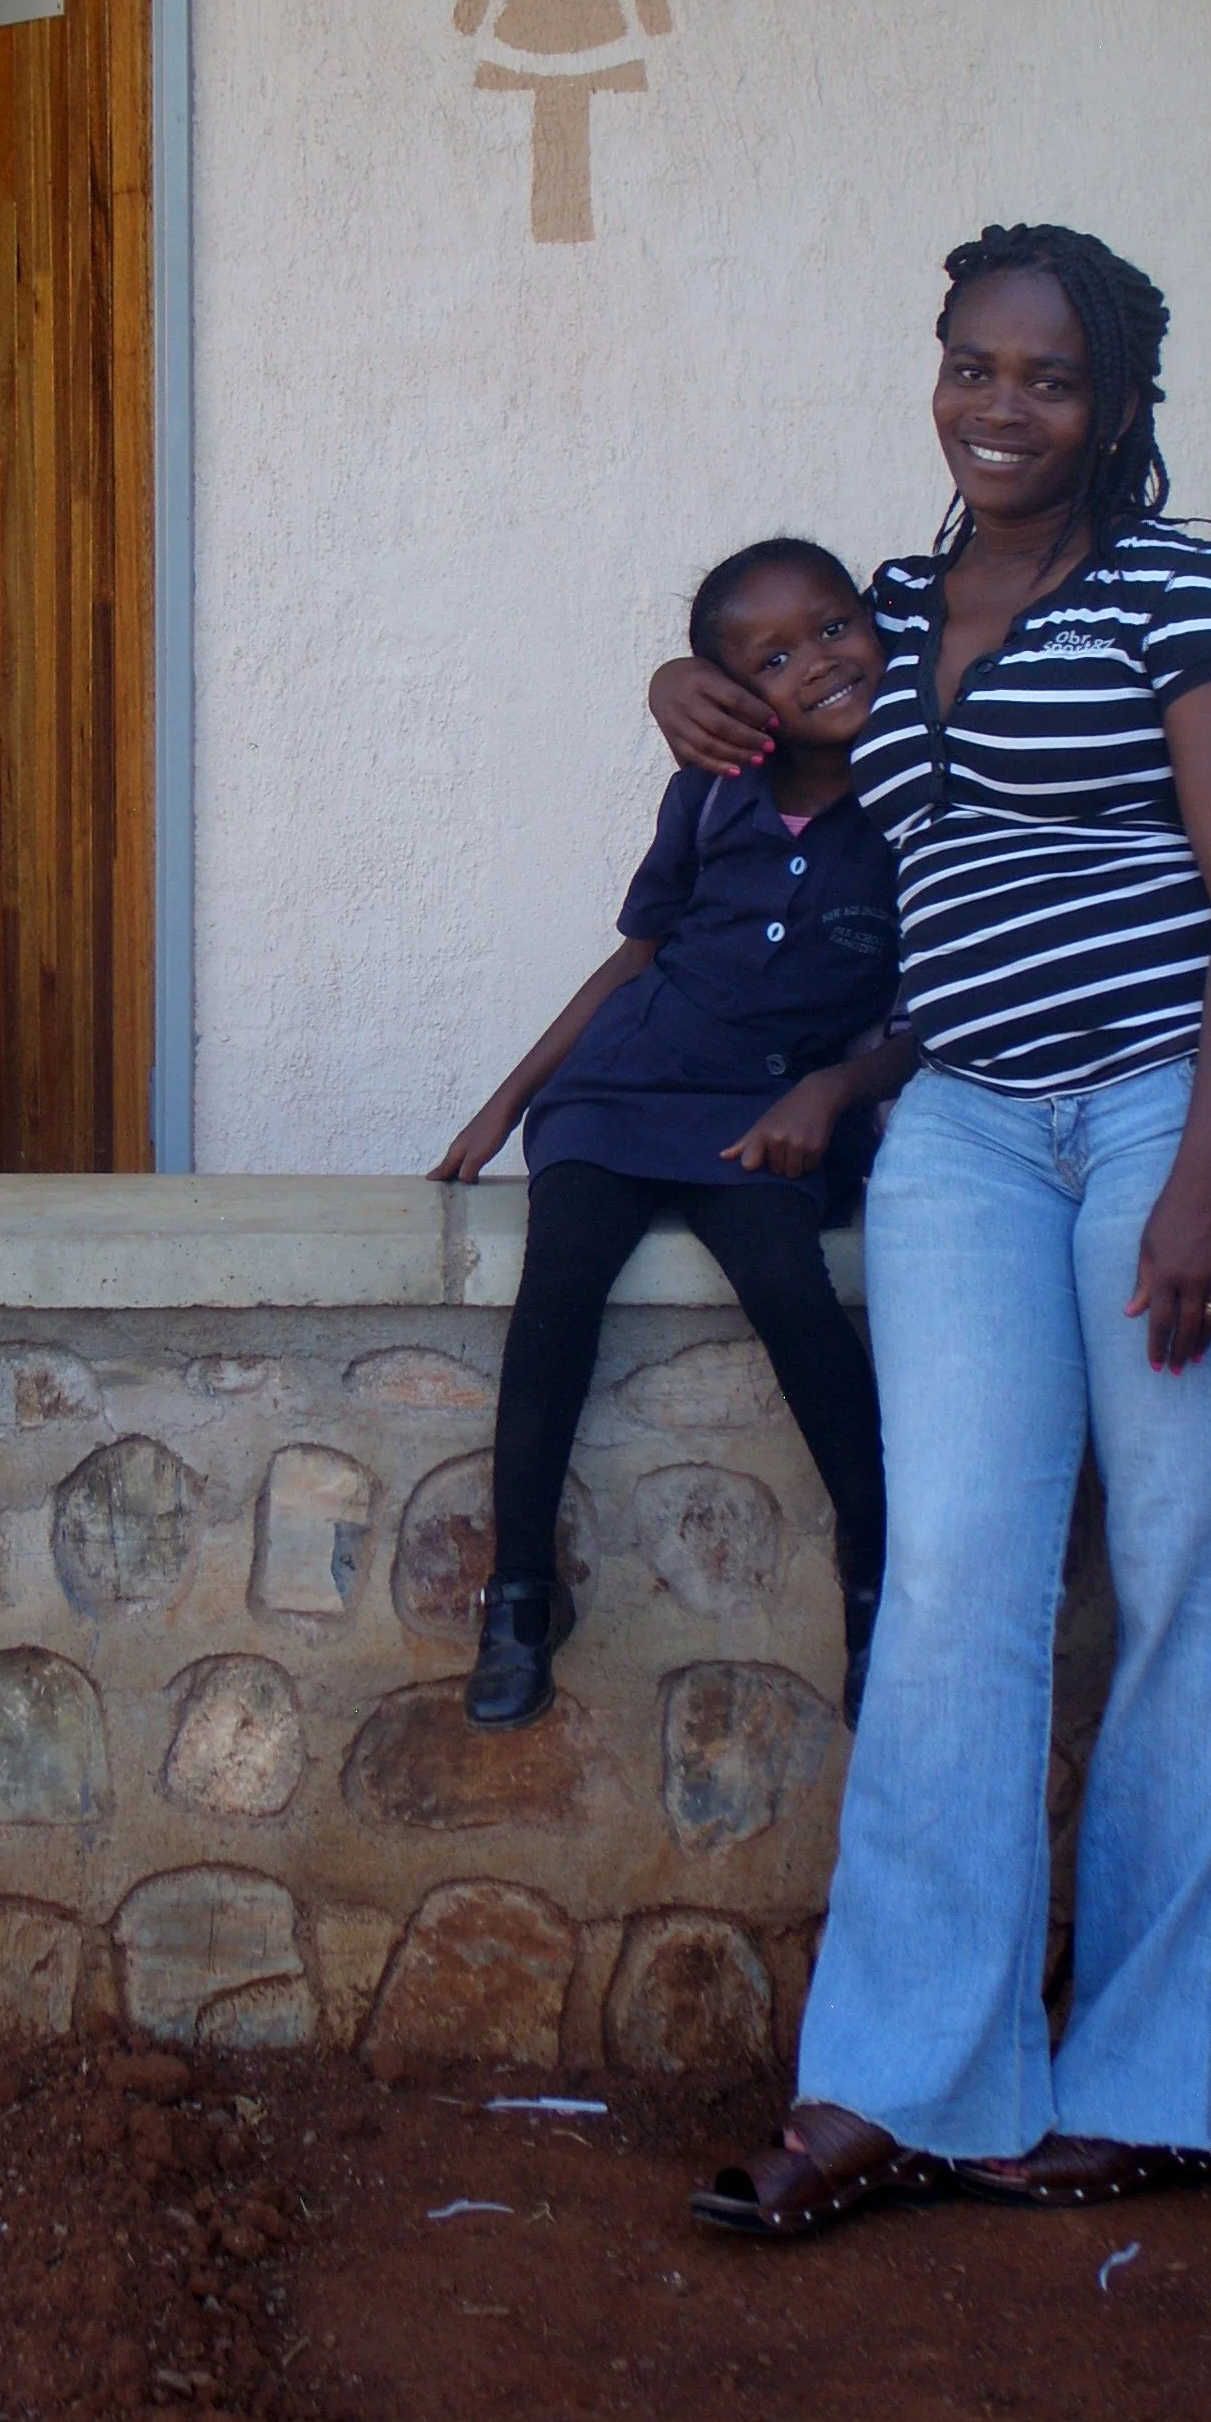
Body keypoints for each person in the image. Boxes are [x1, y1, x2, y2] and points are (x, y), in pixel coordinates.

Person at [648, 226, 1211, 2236]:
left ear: (1118, 406)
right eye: (973, 365)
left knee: (1176, 1567)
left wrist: (1209, 1171)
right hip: (967, 1120)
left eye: (1047, 377)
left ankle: (1162, 2083)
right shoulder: (882, 611)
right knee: (961, 1571)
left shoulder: (1183, 592)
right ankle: (899, 2082)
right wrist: (681, 682)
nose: (1001, 405)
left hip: (1189, 1102)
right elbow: (760, 699)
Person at [432, 540, 917, 1734]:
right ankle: (523, 1594)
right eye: (776, 656)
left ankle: (878, 1586)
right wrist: (505, 1102)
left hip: (768, 1113)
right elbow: (640, 955)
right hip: (623, 1087)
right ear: (737, 693)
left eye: (835, 626)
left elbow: (941, 1004)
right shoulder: (713, 787)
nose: (820, 663)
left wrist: (838, 1092)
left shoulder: (915, 789)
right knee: (560, 1283)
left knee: (790, 1294)